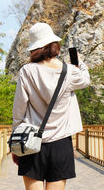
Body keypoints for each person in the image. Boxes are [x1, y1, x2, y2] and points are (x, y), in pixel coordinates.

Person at [12, 22, 90, 190]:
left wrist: (15, 142)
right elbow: (86, 79)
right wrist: (80, 63)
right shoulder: (68, 72)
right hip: (61, 144)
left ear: (35, 48)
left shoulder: (27, 71)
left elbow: (19, 110)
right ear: (54, 45)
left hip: (31, 142)